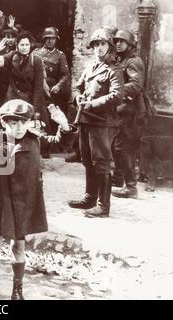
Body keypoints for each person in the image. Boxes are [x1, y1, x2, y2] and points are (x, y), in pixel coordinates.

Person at [0, 100, 73, 300]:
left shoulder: (36, 140)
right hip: (1, 201)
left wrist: (64, 126)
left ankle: (17, 291)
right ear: (4, 124)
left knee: (19, 246)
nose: (19, 127)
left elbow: (61, 144)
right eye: (13, 123)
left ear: (30, 122)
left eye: (24, 122)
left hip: (24, 202)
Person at [68, 28, 124, 218]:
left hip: (102, 123)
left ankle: (103, 206)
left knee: (101, 163)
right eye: (96, 45)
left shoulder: (114, 70)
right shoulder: (91, 67)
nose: (99, 48)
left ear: (109, 47)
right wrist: (77, 98)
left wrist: (92, 103)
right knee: (87, 160)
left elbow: (117, 96)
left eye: (103, 44)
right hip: (85, 121)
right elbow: (77, 87)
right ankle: (90, 198)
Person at [111, 30, 145, 199]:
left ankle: (131, 187)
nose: (118, 44)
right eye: (116, 41)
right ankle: (117, 179)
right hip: (122, 111)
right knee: (118, 146)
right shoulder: (122, 59)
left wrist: (116, 91)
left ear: (130, 44)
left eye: (122, 42)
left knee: (126, 149)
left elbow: (136, 85)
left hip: (131, 113)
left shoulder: (133, 61)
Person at [0, 31, 46, 128]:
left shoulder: (36, 61)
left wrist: (35, 109)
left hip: (30, 100)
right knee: (12, 128)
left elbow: (38, 87)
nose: (24, 47)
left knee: (31, 129)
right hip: (14, 98)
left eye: (27, 44)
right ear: (17, 45)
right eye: (22, 44)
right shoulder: (12, 56)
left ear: (30, 45)